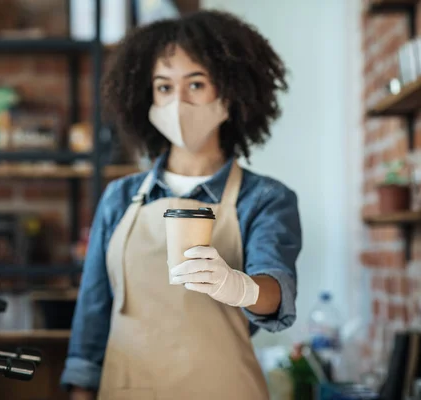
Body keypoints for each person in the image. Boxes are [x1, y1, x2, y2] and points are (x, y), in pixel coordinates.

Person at [60, 9, 302, 400]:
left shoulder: (265, 198)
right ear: (146, 97)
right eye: (164, 87)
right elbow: (93, 314)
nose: (178, 102)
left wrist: (239, 287)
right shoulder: (119, 198)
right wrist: (80, 392)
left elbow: (276, 290)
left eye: (196, 84)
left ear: (229, 91)